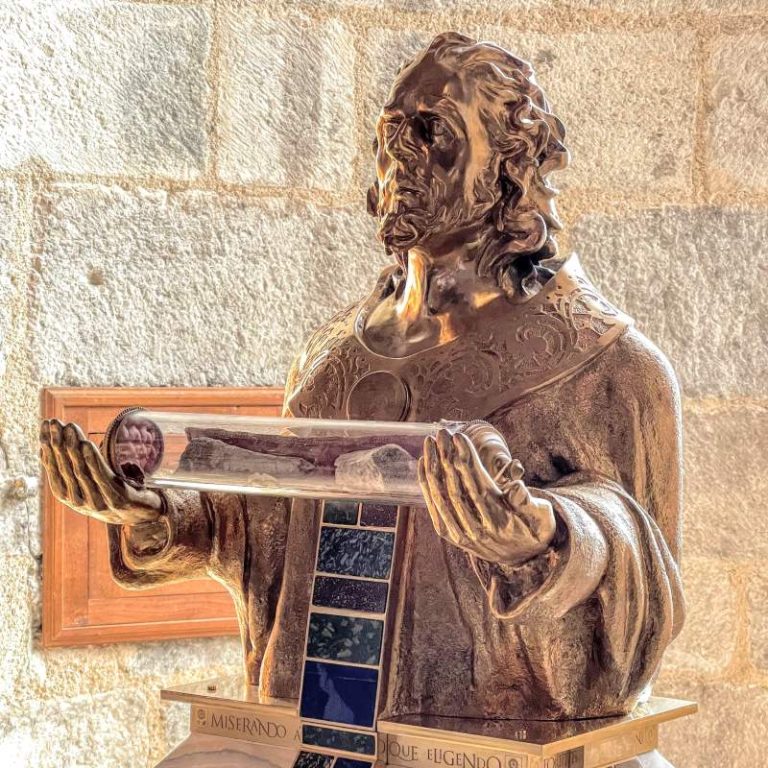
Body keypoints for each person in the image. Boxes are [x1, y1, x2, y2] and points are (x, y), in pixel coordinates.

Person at [40, 32, 684, 720]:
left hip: (492, 736)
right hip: (329, 724)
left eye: (434, 132)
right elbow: (278, 530)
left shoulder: (608, 363)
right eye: (392, 131)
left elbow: (648, 583)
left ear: (507, 165)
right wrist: (158, 510)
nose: (402, 156)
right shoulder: (330, 358)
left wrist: (542, 538)